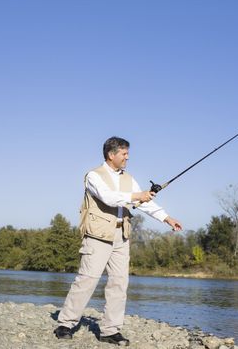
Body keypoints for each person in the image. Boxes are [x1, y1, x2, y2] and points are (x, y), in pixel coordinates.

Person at [54, 136, 182, 346]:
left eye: (127, 154)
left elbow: (143, 202)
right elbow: (109, 198)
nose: (127, 158)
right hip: (98, 235)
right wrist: (137, 195)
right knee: (87, 280)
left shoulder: (129, 179)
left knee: (119, 284)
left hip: (121, 236)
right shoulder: (94, 176)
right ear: (111, 154)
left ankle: (110, 330)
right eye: (124, 154)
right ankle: (65, 324)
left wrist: (167, 218)